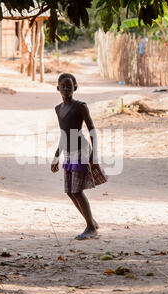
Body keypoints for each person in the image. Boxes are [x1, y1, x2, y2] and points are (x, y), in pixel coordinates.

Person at [51, 73, 107, 240]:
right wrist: (56, 157)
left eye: (69, 85)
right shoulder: (58, 109)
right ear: (58, 88)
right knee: (69, 191)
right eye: (63, 86)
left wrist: (94, 155)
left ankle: (91, 227)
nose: (66, 88)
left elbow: (92, 130)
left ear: (75, 87)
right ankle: (92, 222)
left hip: (82, 151)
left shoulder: (80, 106)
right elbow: (63, 135)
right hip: (68, 153)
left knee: (77, 190)